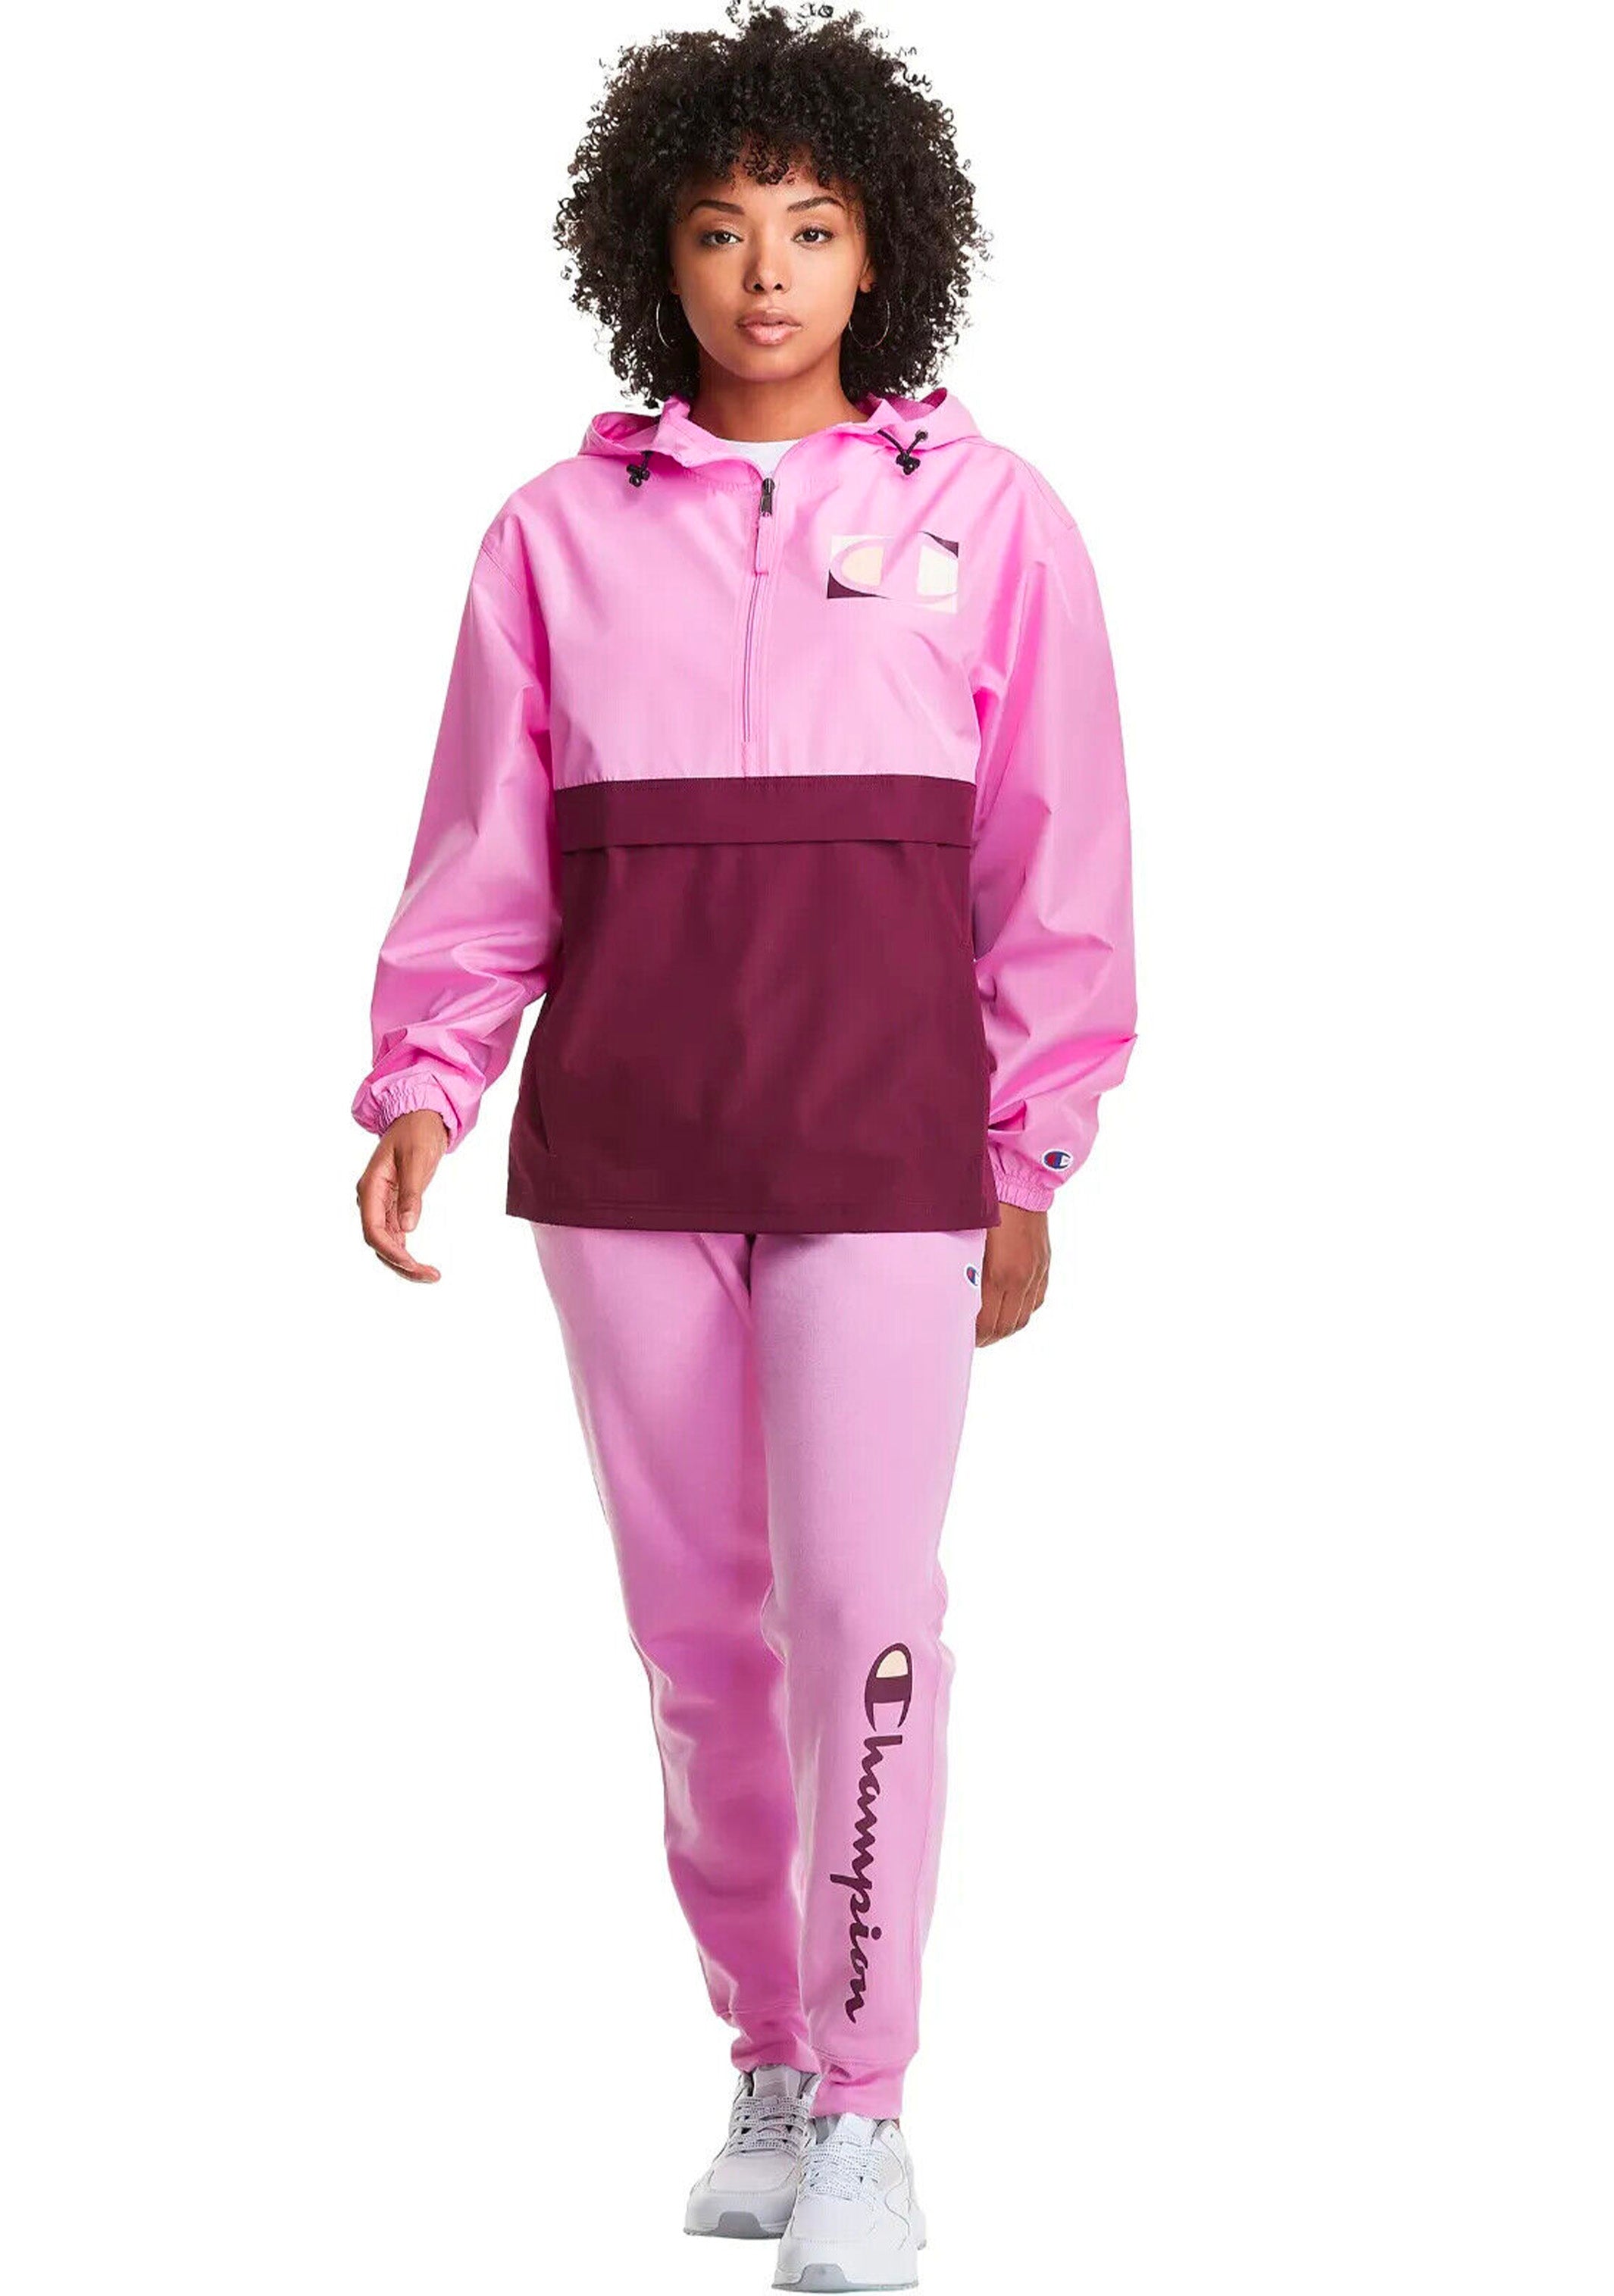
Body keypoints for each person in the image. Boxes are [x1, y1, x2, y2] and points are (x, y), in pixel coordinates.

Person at [351, 5, 1136, 2285]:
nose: (764, 273)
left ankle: (874, 2110)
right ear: (654, 253)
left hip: (887, 1158)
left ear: (881, 250)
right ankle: (771, 2065)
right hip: (626, 1153)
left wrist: (1028, 1153)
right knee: (701, 1642)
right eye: (717, 228)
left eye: (807, 226)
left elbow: (1058, 859)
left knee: (865, 1624)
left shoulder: (990, 518)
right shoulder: (549, 535)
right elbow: (486, 854)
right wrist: (425, 1082)